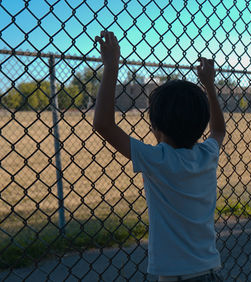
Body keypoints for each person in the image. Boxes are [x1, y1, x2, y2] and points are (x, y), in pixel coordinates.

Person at [93, 30, 225, 281]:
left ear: (156, 127)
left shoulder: (157, 159)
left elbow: (103, 124)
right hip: (210, 272)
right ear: (201, 123)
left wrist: (111, 66)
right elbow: (218, 129)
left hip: (174, 276)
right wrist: (209, 84)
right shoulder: (207, 154)